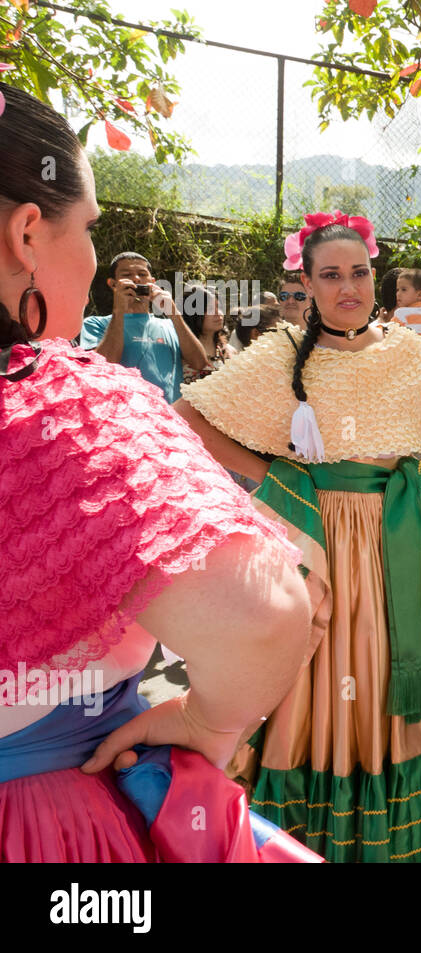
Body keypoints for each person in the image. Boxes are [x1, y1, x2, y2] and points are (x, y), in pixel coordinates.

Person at [0, 81, 319, 863]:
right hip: (50, 823)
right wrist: (208, 723)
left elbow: (201, 368)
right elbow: (267, 614)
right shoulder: (66, 404)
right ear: (26, 233)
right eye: (91, 229)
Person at [175, 210, 421, 862]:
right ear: (306, 281)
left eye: (359, 272)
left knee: (386, 671)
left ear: (374, 275)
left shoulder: (404, 350)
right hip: (314, 537)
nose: (348, 287)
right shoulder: (280, 353)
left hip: (393, 537)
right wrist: (272, 475)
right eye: (330, 275)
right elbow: (186, 414)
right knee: (313, 674)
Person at [78, 251, 207, 403]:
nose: (136, 279)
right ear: (113, 284)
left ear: (152, 282)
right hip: (125, 413)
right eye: (127, 275)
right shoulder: (95, 324)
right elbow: (102, 367)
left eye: (142, 274)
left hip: (169, 414)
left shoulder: (170, 325)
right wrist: (119, 310)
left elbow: (199, 363)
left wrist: (174, 314)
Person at [180, 283, 231, 383]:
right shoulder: (180, 350)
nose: (218, 313)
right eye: (210, 309)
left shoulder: (226, 351)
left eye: (219, 307)